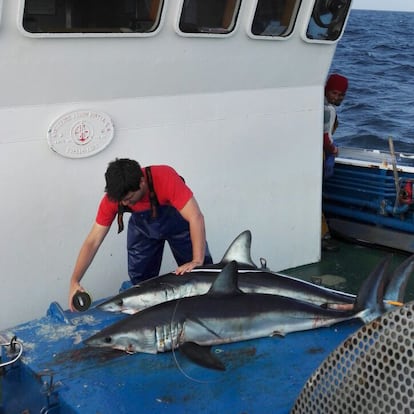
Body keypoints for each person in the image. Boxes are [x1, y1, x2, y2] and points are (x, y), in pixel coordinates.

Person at [68, 158, 213, 311]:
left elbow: (196, 217)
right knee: (141, 281)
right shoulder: (114, 199)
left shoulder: (165, 176)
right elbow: (93, 241)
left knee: (200, 273)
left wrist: (197, 260)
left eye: (129, 199)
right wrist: (74, 281)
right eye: (121, 201)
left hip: (179, 223)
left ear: (142, 182)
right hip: (143, 229)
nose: (124, 204)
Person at [322, 73, 348, 251]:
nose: (337, 97)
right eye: (334, 93)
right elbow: (324, 136)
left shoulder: (324, 106)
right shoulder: (327, 110)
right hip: (322, 153)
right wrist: (333, 149)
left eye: (341, 95)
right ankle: (322, 236)